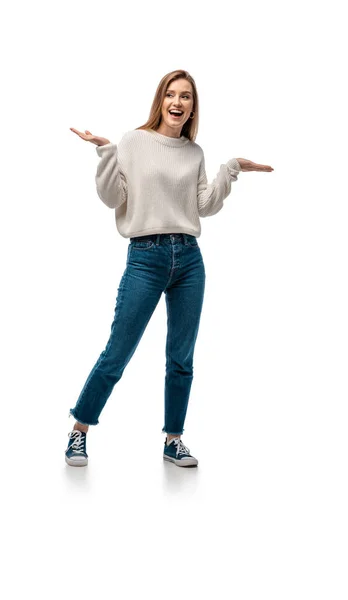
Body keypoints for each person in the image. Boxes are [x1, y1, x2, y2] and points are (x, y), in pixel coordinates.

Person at [65, 69, 274, 468]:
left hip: (189, 260)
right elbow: (113, 198)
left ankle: (173, 439)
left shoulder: (194, 153)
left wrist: (230, 169)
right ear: (160, 100)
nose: (178, 103)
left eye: (187, 97)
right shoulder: (134, 142)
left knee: (182, 357)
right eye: (171, 95)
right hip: (146, 256)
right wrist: (106, 152)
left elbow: (204, 207)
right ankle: (79, 431)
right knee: (118, 352)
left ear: (193, 106)